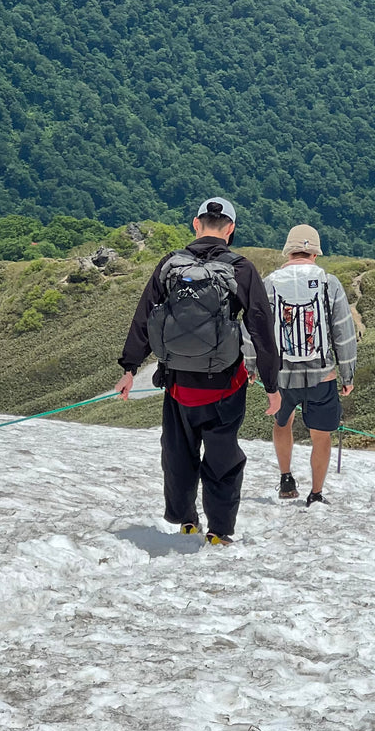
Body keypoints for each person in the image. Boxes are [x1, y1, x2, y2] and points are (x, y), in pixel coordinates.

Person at [116, 198, 281, 546]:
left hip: (178, 383)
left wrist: (130, 368)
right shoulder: (240, 268)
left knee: (177, 452)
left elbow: (144, 315)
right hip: (224, 385)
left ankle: (186, 519)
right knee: (222, 456)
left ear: (196, 224)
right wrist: (272, 383)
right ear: (230, 229)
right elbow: (260, 327)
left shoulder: (171, 265)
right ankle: (218, 531)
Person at [247, 224, 357, 505]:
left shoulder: (269, 282)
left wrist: (250, 367)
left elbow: (253, 328)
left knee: (282, 423)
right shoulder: (328, 283)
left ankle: (286, 479)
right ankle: (316, 494)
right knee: (321, 435)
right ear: (315, 254)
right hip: (322, 375)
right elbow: (343, 331)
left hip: (281, 376)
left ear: (288, 250)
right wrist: (347, 374)